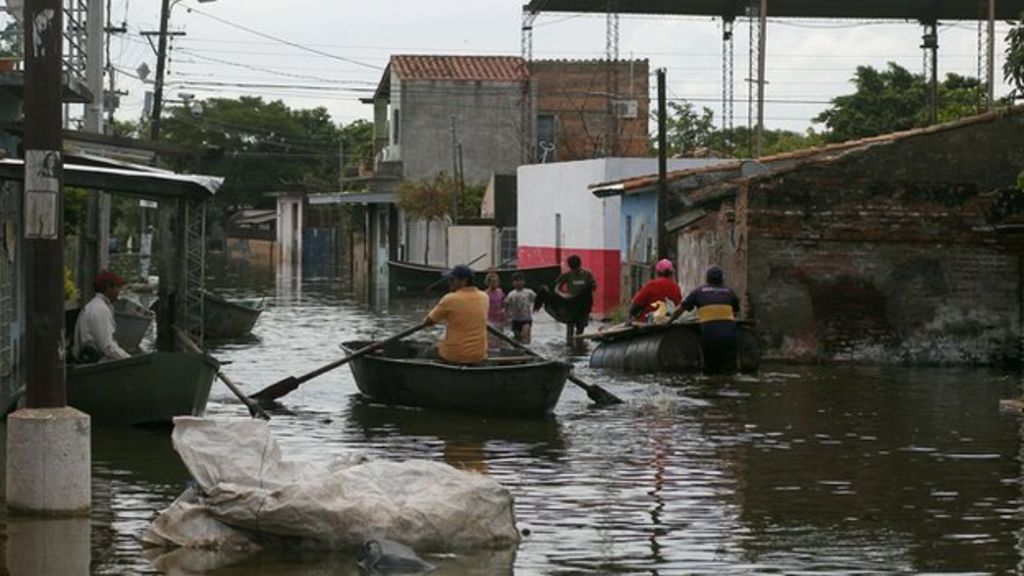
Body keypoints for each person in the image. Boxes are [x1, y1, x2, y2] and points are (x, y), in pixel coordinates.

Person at [675, 266, 740, 375]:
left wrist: (670, 320)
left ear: (707, 279)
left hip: (710, 336)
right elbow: (736, 312)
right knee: (730, 371)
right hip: (729, 336)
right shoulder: (730, 292)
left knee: (710, 372)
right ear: (722, 279)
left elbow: (681, 309)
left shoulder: (698, 291)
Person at [421, 264, 488, 364]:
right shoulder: (484, 297)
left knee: (426, 352)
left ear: (463, 281)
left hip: (454, 355)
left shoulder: (450, 298)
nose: (449, 283)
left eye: (452, 280)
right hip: (479, 354)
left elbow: (428, 321)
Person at [72, 270, 131, 363]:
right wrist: (129, 360)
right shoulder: (100, 309)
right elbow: (108, 347)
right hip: (96, 364)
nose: (119, 291)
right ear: (108, 287)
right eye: (118, 287)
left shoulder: (95, 305)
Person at [552, 254, 596, 337]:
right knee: (570, 328)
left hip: (584, 305)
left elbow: (593, 287)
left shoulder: (587, 275)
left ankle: (579, 344)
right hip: (571, 305)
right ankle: (570, 344)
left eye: (576, 269)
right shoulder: (567, 275)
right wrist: (563, 295)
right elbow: (556, 287)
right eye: (573, 269)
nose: (574, 271)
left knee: (581, 328)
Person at [629, 259, 682, 324]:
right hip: (669, 324)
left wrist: (630, 318)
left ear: (657, 272)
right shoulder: (676, 288)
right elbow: (678, 307)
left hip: (648, 325)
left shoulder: (652, 285)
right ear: (672, 273)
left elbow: (635, 306)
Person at [503, 272, 537, 344]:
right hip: (515, 319)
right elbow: (505, 305)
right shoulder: (511, 294)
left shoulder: (529, 292)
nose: (518, 282)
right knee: (517, 339)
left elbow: (537, 301)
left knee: (526, 335)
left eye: (520, 280)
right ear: (513, 283)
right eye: (516, 281)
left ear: (524, 282)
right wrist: (506, 315)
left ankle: (528, 351)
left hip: (526, 319)